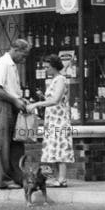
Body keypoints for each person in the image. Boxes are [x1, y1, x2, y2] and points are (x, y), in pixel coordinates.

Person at [26, 54, 74, 187]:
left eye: (48, 67)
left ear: (54, 67)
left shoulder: (60, 79)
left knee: (60, 148)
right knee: (55, 148)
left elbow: (55, 100)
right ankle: (59, 178)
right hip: (53, 119)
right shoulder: (54, 80)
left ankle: (62, 179)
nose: (45, 69)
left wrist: (36, 104)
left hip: (59, 119)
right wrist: (43, 97)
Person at [0, 39, 30, 189]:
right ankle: (5, 180)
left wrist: (19, 99)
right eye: (23, 55)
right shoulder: (2, 64)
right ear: (16, 50)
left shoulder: (12, 65)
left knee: (17, 143)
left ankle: (18, 177)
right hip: (1, 106)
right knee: (3, 144)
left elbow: (10, 88)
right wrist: (15, 100)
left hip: (11, 105)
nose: (24, 59)